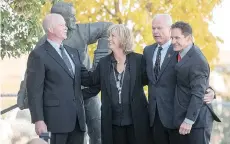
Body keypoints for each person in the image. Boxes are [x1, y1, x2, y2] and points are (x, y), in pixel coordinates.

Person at [17, 2, 112, 144]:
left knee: (98, 133)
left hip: (86, 95)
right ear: (56, 21)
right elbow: (33, 80)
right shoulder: (41, 49)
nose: (74, 20)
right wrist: (24, 96)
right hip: (60, 112)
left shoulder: (79, 35)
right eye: (70, 17)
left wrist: (101, 58)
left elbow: (109, 28)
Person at [143, 14, 216, 144]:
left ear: (169, 28)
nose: (155, 31)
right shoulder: (148, 51)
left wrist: (210, 91)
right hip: (155, 117)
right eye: (153, 28)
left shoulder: (180, 48)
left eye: (159, 28)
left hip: (177, 117)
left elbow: (197, 74)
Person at [26, 13, 92, 144]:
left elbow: (86, 78)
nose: (66, 27)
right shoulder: (38, 55)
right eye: (62, 25)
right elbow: (34, 91)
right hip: (54, 123)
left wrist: (106, 68)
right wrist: (39, 120)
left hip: (77, 122)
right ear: (51, 29)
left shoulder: (73, 52)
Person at [83, 24, 152, 144]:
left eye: (113, 36)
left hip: (137, 121)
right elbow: (92, 82)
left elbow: (151, 82)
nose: (109, 39)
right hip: (112, 123)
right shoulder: (104, 63)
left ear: (123, 38)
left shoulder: (139, 60)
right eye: (109, 36)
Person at [171, 21, 221, 144]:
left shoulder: (197, 60)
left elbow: (198, 93)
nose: (173, 41)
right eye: (172, 37)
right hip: (182, 119)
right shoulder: (179, 53)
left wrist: (189, 121)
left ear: (188, 38)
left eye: (177, 38)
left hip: (197, 121)